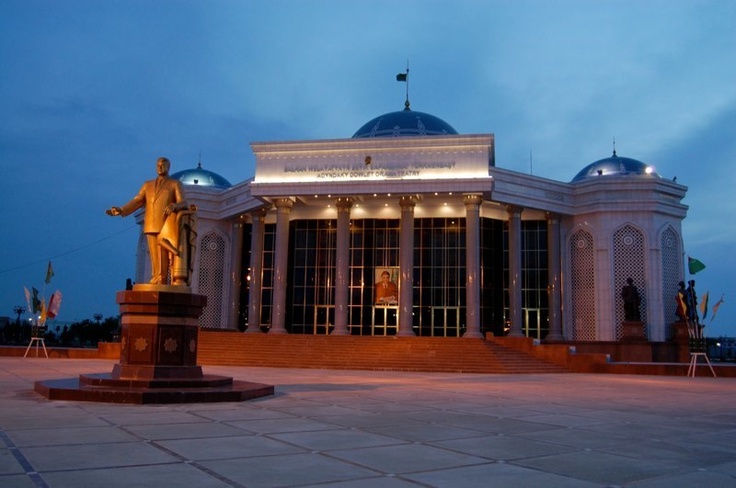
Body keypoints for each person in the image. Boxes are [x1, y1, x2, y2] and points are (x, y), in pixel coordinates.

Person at [107, 157, 188, 285]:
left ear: (168, 167)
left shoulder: (175, 184)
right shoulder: (147, 185)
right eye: (158, 165)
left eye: (163, 165)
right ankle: (156, 276)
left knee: (163, 253)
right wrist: (122, 210)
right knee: (154, 254)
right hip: (151, 223)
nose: (160, 167)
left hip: (166, 225)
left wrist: (174, 206)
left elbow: (184, 202)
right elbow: (137, 200)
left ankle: (161, 278)